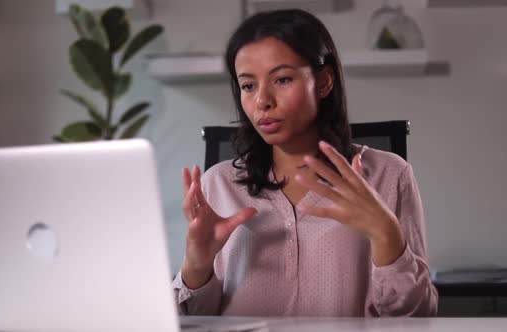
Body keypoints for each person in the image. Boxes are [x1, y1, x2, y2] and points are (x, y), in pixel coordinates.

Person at [172, 9, 438, 317]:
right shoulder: (217, 183)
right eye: (248, 86)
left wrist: (386, 235)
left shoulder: (389, 176)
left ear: (324, 82)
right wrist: (196, 266)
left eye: (282, 79)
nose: (262, 101)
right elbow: (192, 322)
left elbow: (418, 318)